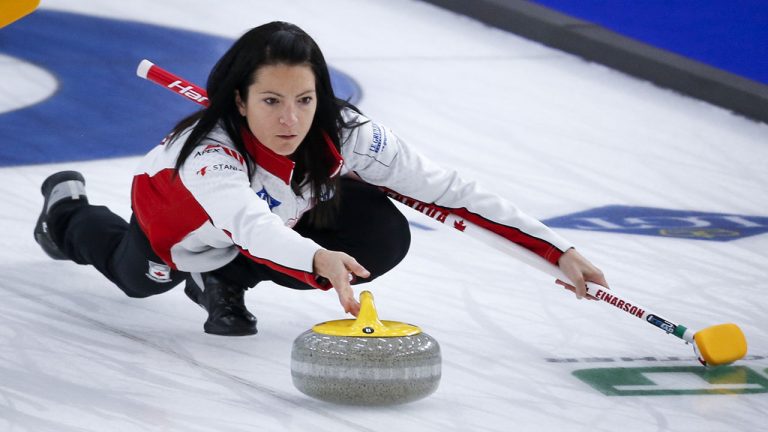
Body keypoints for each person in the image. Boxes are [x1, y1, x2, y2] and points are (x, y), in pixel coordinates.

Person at [34, 21, 608, 337]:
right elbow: (249, 223)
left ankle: (226, 282)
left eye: (305, 99)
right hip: (181, 225)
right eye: (272, 101)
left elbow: (451, 191)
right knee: (138, 279)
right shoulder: (207, 155)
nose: (291, 120)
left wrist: (558, 251)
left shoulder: (348, 133)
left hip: (281, 216)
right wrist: (316, 258)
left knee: (381, 231)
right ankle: (64, 215)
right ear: (239, 98)